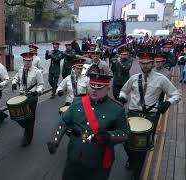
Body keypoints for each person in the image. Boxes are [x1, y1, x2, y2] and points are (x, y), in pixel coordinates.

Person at [47, 64, 130, 180]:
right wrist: (55, 140)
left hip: (98, 163)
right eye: (92, 86)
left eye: (99, 88)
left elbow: (125, 133)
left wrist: (109, 136)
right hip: (74, 157)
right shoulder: (77, 102)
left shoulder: (116, 109)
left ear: (107, 89)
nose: (94, 91)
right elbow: (63, 122)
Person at [118, 52, 181, 180]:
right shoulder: (134, 78)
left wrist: (168, 102)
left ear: (152, 64)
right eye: (142, 63)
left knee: (142, 148)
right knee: (126, 143)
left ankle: (137, 172)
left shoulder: (161, 79)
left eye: (147, 63)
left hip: (150, 116)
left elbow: (177, 94)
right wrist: (123, 97)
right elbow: (124, 90)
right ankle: (131, 158)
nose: (144, 66)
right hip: (133, 113)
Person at [12, 52, 44, 147]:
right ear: (23, 61)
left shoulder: (37, 71)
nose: (28, 63)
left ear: (32, 61)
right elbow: (15, 78)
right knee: (20, 116)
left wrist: (37, 91)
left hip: (32, 96)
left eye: (30, 61)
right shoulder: (20, 70)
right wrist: (14, 83)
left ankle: (28, 138)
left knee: (30, 117)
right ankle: (27, 128)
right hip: (21, 96)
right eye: (26, 61)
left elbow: (41, 85)